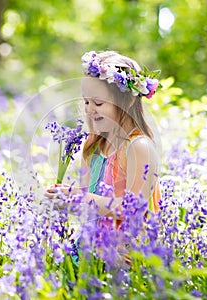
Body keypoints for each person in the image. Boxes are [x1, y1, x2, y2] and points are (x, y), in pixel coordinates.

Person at [45, 50, 161, 222]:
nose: (89, 110)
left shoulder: (138, 147)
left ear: (127, 101)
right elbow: (91, 207)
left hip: (128, 247)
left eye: (98, 103)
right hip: (93, 244)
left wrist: (80, 198)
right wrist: (66, 200)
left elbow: (134, 209)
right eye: (86, 102)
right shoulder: (94, 147)